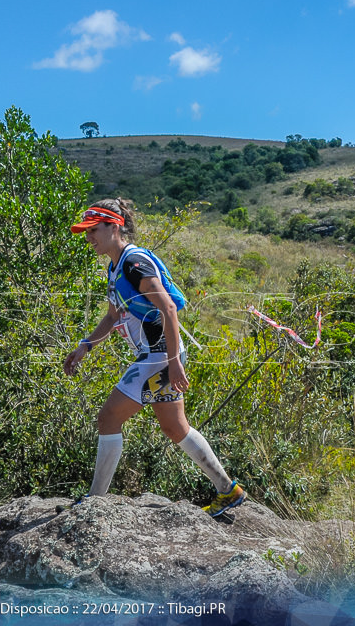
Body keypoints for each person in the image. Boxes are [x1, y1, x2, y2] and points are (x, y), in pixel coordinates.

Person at [62, 198, 246, 517]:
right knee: (175, 428)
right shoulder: (115, 267)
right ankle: (227, 490)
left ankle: (95, 501)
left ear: (114, 226)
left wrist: (173, 361)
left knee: (108, 418)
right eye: (86, 231)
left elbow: (169, 308)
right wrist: (85, 345)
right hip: (160, 355)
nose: (88, 237)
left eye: (93, 229)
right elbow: (111, 316)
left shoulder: (134, 264)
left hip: (159, 355)